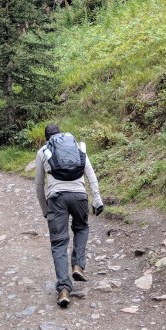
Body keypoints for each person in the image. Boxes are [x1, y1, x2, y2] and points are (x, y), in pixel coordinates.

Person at [35, 123, 104, 309]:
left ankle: (64, 289)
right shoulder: (75, 146)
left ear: (46, 137)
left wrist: (45, 210)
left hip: (57, 198)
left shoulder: (44, 150)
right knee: (81, 228)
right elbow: (90, 173)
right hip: (80, 195)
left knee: (59, 243)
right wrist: (97, 199)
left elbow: (39, 186)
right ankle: (78, 265)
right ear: (60, 134)